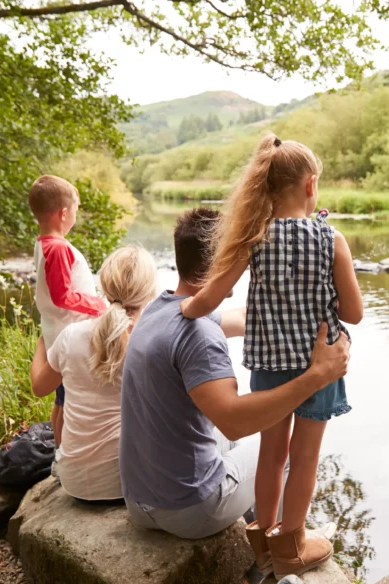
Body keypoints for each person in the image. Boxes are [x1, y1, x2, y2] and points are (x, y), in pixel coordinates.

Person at [178, 134, 364, 577]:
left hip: (268, 366)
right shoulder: (330, 238)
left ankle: (263, 540)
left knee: (271, 455)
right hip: (320, 365)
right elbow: (354, 313)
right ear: (310, 184)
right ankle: (292, 546)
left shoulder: (252, 238)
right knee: (304, 460)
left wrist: (181, 309)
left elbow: (206, 300)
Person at [118, 207, 351, 560]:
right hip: (190, 511)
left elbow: (239, 318)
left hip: (139, 501)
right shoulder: (200, 337)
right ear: (225, 258)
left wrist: (290, 315)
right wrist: (318, 374)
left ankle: (266, 533)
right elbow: (235, 420)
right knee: (281, 451)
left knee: (236, 434)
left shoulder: (159, 309)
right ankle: (284, 548)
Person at [30, 246, 158, 503]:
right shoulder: (153, 341)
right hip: (128, 482)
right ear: (150, 293)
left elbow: (40, 387)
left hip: (74, 481)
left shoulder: (71, 336)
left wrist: (41, 344)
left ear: (103, 286)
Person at [29, 175, 107, 445]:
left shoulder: (43, 243)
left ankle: (60, 451)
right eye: (75, 210)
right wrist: (99, 305)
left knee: (62, 398)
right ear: (64, 213)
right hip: (67, 335)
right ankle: (62, 453)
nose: (75, 215)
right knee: (67, 400)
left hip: (57, 331)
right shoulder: (59, 247)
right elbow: (62, 296)